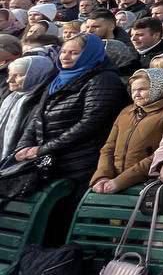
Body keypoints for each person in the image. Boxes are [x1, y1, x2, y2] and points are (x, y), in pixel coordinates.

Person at [13, 33, 128, 191]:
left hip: (80, 162)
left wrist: (44, 149)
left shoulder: (103, 80)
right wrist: (24, 146)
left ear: (89, 54)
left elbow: (91, 122)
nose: (65, 57)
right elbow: (38, 115)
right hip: (50, 159)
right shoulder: (57, 79)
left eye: (74, 53)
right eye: (63, 52)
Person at [91, 68, 163, 193]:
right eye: (134, 90)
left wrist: (121, 181)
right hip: (113, 181)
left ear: (159, 89)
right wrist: (102, 176)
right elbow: (108, 147)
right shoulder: (127, 111)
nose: (136, 94)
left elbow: (162, 153)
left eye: (142, 89)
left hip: (147, 184)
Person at [0, 56, 54, 164]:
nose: (9, 80)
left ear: (37, 75)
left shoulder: (42, 102)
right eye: (10, 75)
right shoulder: (10, 98)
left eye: (18, 75)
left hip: (21, 161)